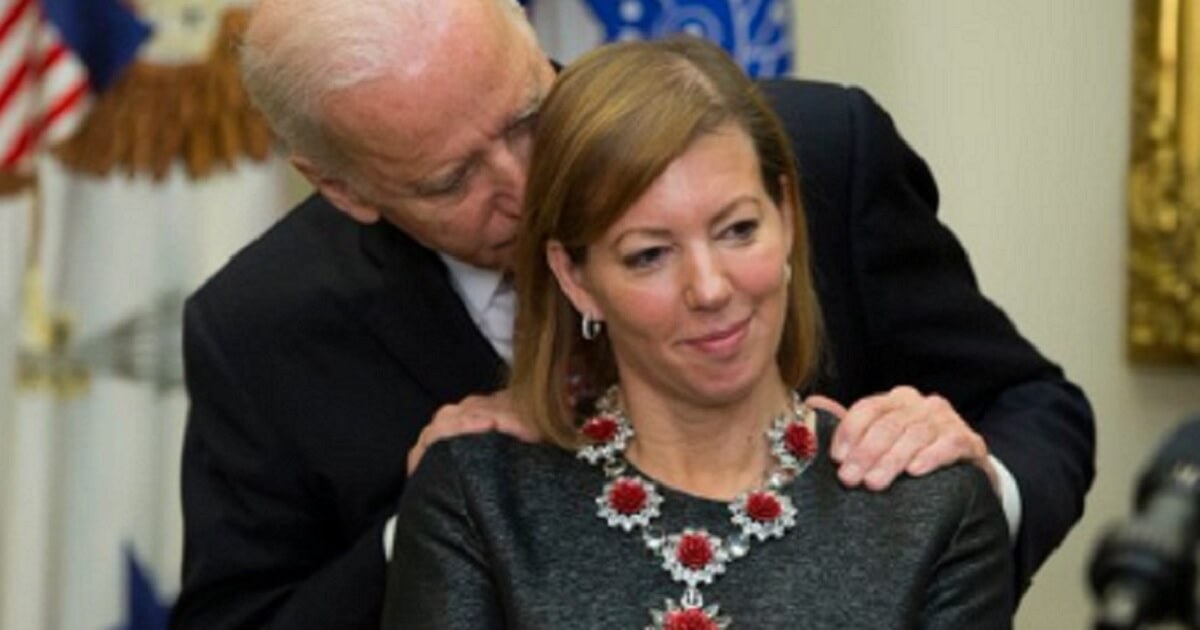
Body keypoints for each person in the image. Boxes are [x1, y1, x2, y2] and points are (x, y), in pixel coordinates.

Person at [171, 0, 1092, 628]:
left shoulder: (815, 152)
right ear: (342, 188)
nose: (528, 188)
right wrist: (417, 531)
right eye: (452, 180)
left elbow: (1033, 405)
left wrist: (957, 495)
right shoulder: (262, 327)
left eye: (529, 116)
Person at [382, 36, 1014, 629]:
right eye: (649, 254)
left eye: (738, 229)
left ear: (787, 216)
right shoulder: (478, 500)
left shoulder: (931, 508)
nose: (710, 288)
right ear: (575, 278)